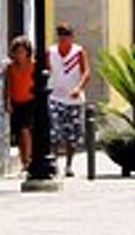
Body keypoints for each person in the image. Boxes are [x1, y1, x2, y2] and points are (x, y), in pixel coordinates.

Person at [45, 23, 91, 178]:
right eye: (61, 36)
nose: (63, 39)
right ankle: (54, 162)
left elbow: (86, 72)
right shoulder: (51, 52)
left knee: (72, 134)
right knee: (54, 131)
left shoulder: (78, 52)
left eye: (66, 36)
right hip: (55, 97)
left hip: (74, 100)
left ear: (72, 37)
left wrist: (78, 88)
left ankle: (69, 165)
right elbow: (46, 70)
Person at [5, 36, 35, 173]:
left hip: (30, 102)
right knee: (18, 134)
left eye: (22, 51)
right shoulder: (10, 68)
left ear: (28, 52)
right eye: (17, 52)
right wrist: (7, 102)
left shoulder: (33, 65)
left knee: (25, 131)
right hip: (16, 103)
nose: (20, 55)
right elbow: (8, 86)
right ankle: (24, 161)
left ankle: (28, 160)